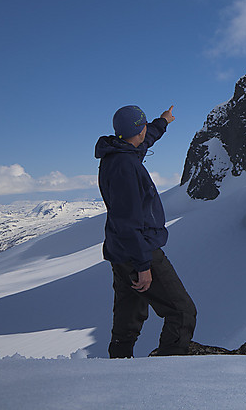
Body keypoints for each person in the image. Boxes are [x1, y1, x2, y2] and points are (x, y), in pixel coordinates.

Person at [95, 104, 196, 358]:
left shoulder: (119, 152)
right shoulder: (125, 167)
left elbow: (143, 140)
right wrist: (143, 265)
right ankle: (168, 367)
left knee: (129, 314)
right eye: (143, 127)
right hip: (139, 250)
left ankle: (119, 365)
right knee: (181, 311)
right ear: (137, 130)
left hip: (119, 250)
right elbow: (128, 219)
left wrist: (163, 122)